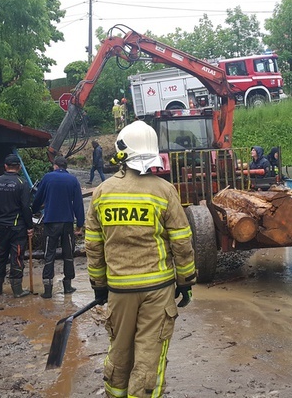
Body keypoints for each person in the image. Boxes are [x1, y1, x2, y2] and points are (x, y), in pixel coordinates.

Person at [85, 120, 196, 398]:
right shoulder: (164, 190)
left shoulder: (102, 192)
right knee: (149, 357)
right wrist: (185, 282)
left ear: (122, 153)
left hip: (119, 290)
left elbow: (93, 245)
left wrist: (99, 285)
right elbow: (181, 241)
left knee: (120, 354)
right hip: (157, 291)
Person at [31, 156, 85, 298]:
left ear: (55, 166)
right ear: (65, 167)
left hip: (51, 223)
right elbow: (78, 204)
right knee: (68, 254)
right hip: (67, 223)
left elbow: (38, 198)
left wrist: (32, 211)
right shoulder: (73, 180)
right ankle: (68, 286)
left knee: (49, 254)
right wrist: (79, 225)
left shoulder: (48, 178)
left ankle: (48, 290)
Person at [0, 153, 33, 298]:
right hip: (18, 228)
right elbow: (26, 207)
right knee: (17, 256)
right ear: (18, 167)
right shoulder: (22, 183)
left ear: (5, 166)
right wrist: (30, 226)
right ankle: (17, 291)